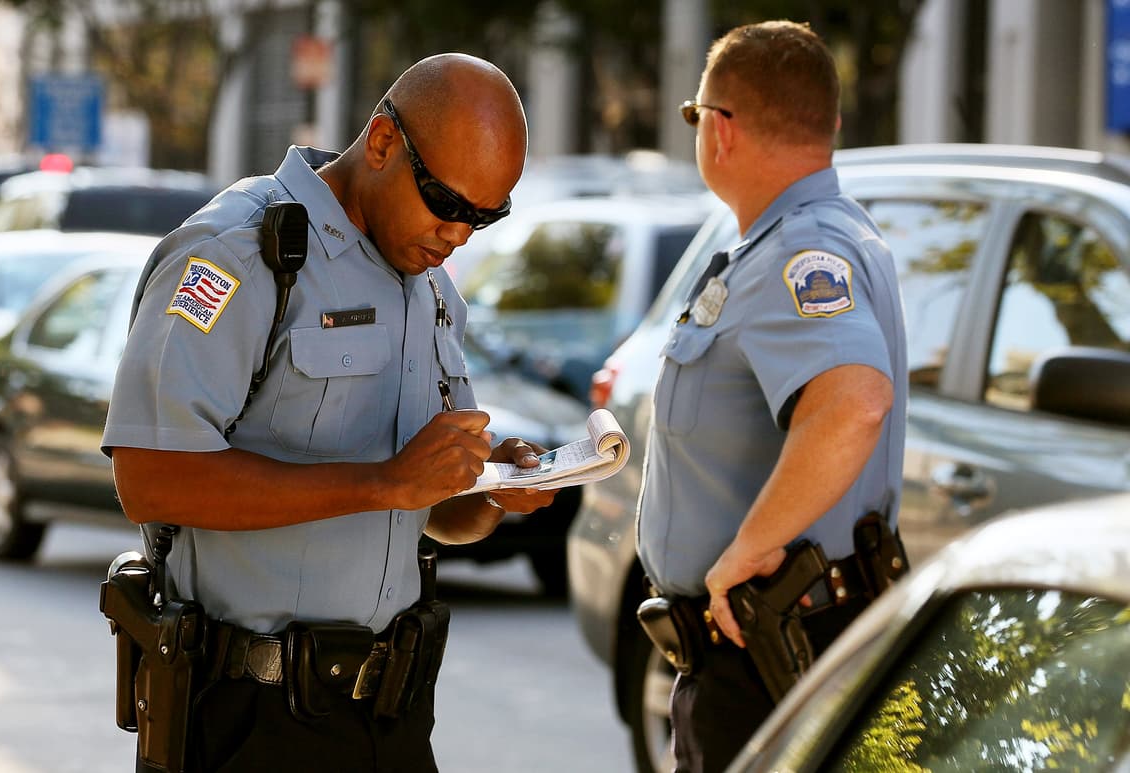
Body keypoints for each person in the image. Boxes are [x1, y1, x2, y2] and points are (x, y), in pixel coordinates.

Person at [101, 53, 555, 772]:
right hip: (255, 718)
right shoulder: (241, 252)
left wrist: (490, 489)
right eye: (446, 202)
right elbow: (150, 476)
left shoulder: (429, 284)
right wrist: (383, 483)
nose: (459, 235)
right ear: (381, 143)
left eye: (484, 216)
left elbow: (431, 507)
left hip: (391, 714)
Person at [635, 20, 908, 772]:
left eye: (696, 116)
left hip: (769, 652)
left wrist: (746, 553)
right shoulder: (824, 235)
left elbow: (854, 399)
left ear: (720, 131)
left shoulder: (799, 249)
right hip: (785, 642)